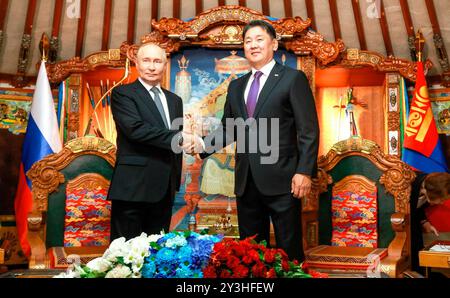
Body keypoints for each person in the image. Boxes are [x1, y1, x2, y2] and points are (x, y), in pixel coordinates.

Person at [194, 20, 320, 261]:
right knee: (250, 253)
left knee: (289, 250)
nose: (253, 45)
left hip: (285, 180)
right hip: (246, 180)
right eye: (248, 41)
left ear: (273, 44)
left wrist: (304, 171)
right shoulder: (236, 86)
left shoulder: (293, 79)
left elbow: (308, 130)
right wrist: (201, 146)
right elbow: (229, 129)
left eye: (259, 39)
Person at [108, 43, 195, 241]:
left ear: (165, 65)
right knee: (125, 255)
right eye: (146, 60)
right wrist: (181, 139)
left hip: (165, 187)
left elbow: (175, 143)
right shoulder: (123, 94)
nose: (152, 66)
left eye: (157, 61)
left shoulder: (175, 100)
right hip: (132, 186)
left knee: (157, 253)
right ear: (136, 64)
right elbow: (135, 130)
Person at [410, 172, 450, 273]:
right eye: (441, 200)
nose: (442, 203)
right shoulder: (408, 183)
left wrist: (424, 222)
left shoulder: (427, 188)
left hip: (414, 229)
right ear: (433, 193)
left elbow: (417, 209)